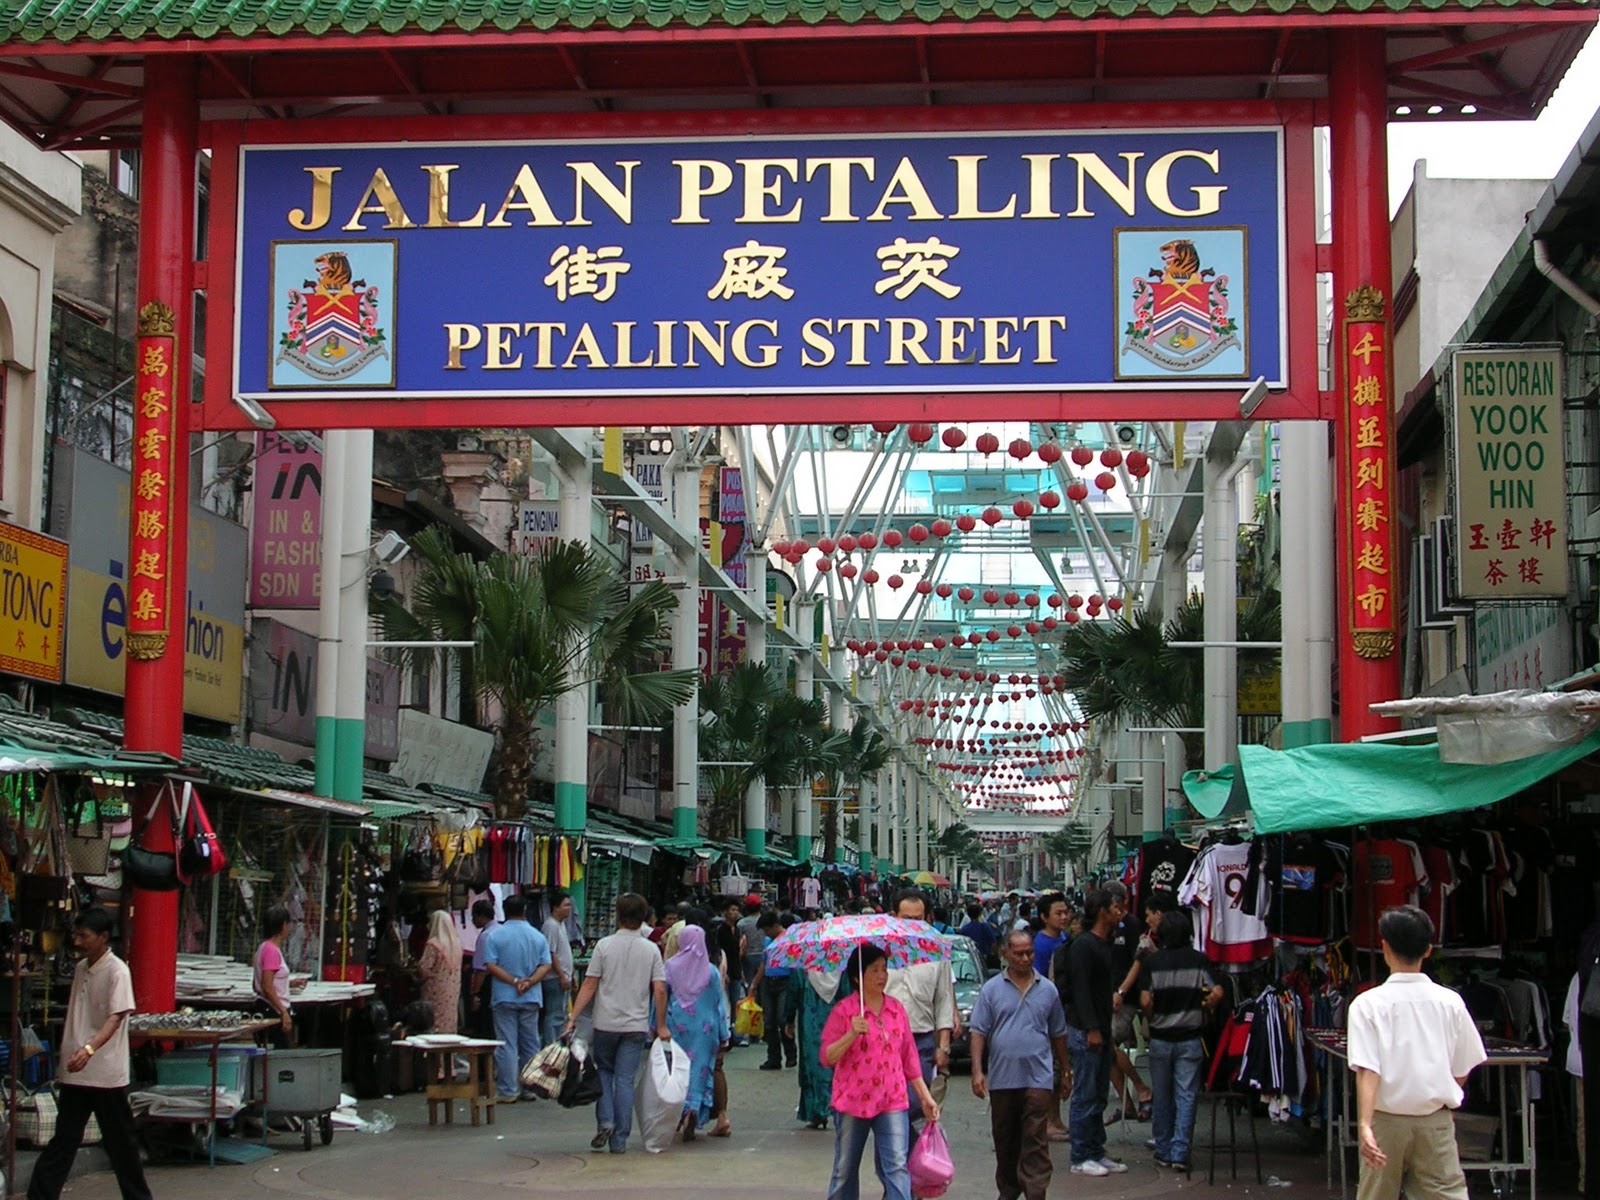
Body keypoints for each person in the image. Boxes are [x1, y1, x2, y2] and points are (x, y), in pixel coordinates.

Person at [1348, 905, 1486, 1200]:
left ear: (1384, 947)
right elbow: (1463, 1067)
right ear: (1428, 950)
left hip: (1385, 1121)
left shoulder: (1367, 1004)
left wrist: (1365, 1124)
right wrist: (1439, 1096)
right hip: (1434, 1121)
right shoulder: (1450, 1002)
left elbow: (1368, 1069)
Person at [27, 908, 151, 1200]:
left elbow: (115, 1017)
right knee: (65, 1139)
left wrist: (90, 1049)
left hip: (105, 1072)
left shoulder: (118, 971)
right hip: (76, 1069)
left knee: (121, 1143)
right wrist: (79, 1052)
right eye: (77, 935)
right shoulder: (82, 968)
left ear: (103, 937)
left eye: (84, 936)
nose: (77, 941)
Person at [821, 944, 941, 1200]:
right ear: (857, 977)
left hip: (892, 1099)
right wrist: (851, 1034)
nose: (882, 976)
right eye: (874, 970)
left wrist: (925, 1097)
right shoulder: (844, 1011)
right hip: (852, 1101)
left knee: (897, 1166)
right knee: (845, 1169)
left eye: (884, 969)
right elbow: (827, 1057)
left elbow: (909, 1058)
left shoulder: (896, 1010)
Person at [565, 892, 670, 1154]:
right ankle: (620, 1139)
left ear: (618, 915)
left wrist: (573, 1017)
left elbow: (590, 984)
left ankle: (606, 1121)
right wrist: (661, 1024)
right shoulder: (651, 950)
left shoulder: (604, 946)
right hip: (635, 1025)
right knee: (625, 1079)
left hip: (605, 1023)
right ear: (644, 916)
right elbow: (659, 989)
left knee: (604, 1071)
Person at [970, 930, 1071, 1200]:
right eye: (1019, 954)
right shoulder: (991, 989)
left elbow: (1058, 1033)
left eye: (1029, 953)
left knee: (1035, 1137)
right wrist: (977, 1071)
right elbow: (978, 1031)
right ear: (1005, 954)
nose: (1025, 959)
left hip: (1038, 1077)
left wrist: (1066, 1070)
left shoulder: (1047, 990)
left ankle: (1036, 1191)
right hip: (1003, 1079)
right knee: (1006, 1138)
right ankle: (1009, 1190)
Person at [1137, 910, 1223, 1170]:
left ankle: (1163, 1149)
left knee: (1162, 1095)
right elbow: (1217, 992)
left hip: (1160, 1038)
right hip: (1190, 1037)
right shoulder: (1199, 960)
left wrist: (1153, 1018)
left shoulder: (1153, 962)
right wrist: (1205, 1008)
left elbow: (1145, 1000)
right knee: (1186, 1095)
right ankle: (1180, 1152)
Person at [1061, 887, 1126, 1176]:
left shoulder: (1105, 944)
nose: (1120, 911)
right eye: (1115, 906)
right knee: (1085, 1093)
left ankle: (1096, 1149)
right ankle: (1080, 1155)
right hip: (1086, 1029)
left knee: (1099, 1093)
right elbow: (1081, 990)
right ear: (1102, 910)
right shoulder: (1083, 946)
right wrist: (1091, 1028)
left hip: (1101, 1026)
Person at [883, 888, 955, 1134]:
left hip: (920, 1041)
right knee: (887, 1105)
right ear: (894, 916)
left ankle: (905, 1148)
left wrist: (943, 1045)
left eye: (919, 919)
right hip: (884, 1040)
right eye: (906, 919)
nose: (913, 925)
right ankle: (895, 1152)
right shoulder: (879, 950)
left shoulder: (937, 950)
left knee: (915, 1104)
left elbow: (944, 998)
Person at [481, 894, 552, 1103]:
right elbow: (545, 965)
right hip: (530, 996)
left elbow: (491, 965)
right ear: (525, 910)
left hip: (504, 996)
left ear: (504, 910)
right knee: (531, 1043)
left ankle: (508, 1089)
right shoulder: (538, 936)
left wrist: (514, 981)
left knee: (506, 1043)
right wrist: (529, 982)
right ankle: (529, 1087)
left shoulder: (495, 936)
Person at [664, 925, 730, 1141]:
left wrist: (656, 1025)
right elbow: (718, 1004)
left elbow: (661, 998)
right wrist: (724, 1034)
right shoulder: (711, 971)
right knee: (700, 1071)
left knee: (678, 1070)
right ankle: (694, 1107)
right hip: (706, 1030)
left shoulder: (670, 967)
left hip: (678, 1027)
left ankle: (682, 1110)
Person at [1104, 881, 1153, 1122]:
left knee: (1107, 1043)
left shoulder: (1132, 925)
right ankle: (1128, 1103)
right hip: (1109, 994)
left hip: (1126, 997)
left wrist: (1122, 991)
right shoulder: (1107, 927)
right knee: (1106, 1051)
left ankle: (1142, 1088)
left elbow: (1139, 961)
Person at [795, 966, 847, 1129]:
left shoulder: (805, 967)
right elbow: (848, 994)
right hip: (837, 1020)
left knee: (814, 1064)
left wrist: (787, 1019)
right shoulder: (842, 969)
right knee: (836, 1064)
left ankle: (818, 1111)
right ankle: (836, 1105)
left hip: (811, 1020)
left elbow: (794, 991)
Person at [748, 910, 798, 1069]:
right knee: (769, 1022)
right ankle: (773, 1058)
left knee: (782, 1020)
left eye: (767, 930)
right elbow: (765, 962)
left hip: (785, 981)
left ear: (776, 925)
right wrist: (755, 984)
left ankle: (791, 1054)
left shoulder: (790, 939)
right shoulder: (767, 941)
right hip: (768, 982)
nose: (766, 933)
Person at [418, 910, 463, 1055]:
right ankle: (448, 1060)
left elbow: (424, 968)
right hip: (452, 991)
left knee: (434, 1022)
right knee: (448, 1022)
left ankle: (436, 1063)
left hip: (434, 991)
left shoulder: (433, 944)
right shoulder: (457, 944)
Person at [253, 903, 295, 1049]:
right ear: (283, 925)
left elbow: (259, 982)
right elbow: (266, 985)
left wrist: (290, 983)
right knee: (279, 1053)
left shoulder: (263, 947)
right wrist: (283, 1012)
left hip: (268, 1007)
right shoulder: (271, 951)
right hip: (272, 1010)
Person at [542, 890, 576, 1048]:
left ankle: (557, 1046)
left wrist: (571, 975)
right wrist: (562, 976)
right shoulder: (550, 925)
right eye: (566, 905)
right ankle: (551, 1047)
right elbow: (551, 952)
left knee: (560, 1015)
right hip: (554, 978)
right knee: (554, 1015)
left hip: (563, 977)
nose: (569, 908)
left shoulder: (561, 925)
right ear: (556, 908)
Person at [467, 898, 499, 1038]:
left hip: (488, 984)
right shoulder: (502, 930)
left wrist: (475, 993)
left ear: (480, 916)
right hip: (503, 982)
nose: (472, 920)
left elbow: (481, 969)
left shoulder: (485, 936)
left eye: (473, 916)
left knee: (485, 1024)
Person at [717, 899, 748, 1044]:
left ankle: (736, 1034)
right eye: (732, 910)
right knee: (726, 1003)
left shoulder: (737, 930)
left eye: (736, 910)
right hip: (726, 970)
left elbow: (737, 954)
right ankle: (726, 1033)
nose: (735, 913)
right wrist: (725, 972)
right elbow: (720, 952)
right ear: (725, 912)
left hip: (736, 970)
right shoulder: (721, 930)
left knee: (737, 1002)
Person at [958, 902, 998, 967]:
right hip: (984, 957)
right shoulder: (985, 927)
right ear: (980, 914)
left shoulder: (964, 929)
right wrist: (994, 955)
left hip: (969, 959)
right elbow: (993, 943)